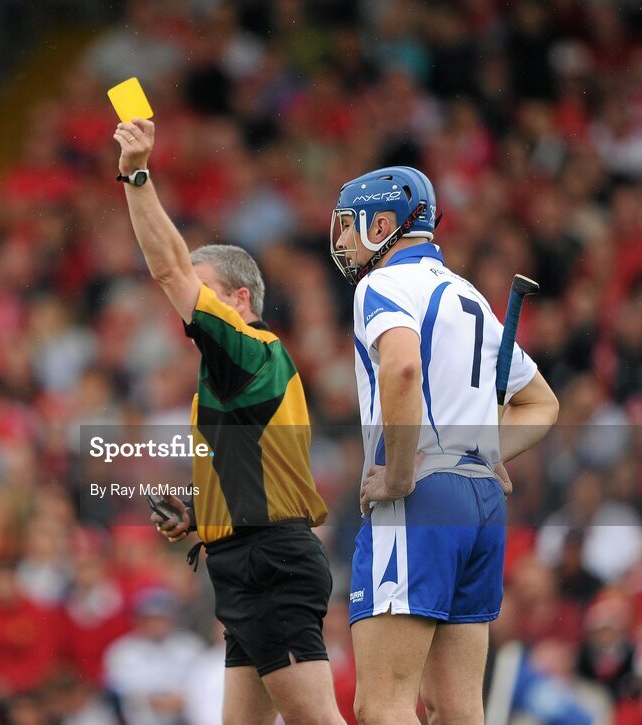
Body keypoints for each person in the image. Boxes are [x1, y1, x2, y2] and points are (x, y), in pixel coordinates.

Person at [113, 118, 345, 725]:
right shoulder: (230, 372)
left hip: (268, 558)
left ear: (239, 299)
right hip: (247, 558)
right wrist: (199, 514)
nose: (186, 299)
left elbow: (167, 270)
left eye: (204, 287)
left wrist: (136, 175)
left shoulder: (245, 346)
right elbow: (255, 469)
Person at [329, 166, 560, 724]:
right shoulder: (470, 294)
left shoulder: (380, 285)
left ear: (381, 224)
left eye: (345, 226)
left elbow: (402, 367)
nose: (338, 241)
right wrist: (489, 451)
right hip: (481, 503)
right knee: (458, 710)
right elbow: (542, 404)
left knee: (381, 706)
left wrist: (401, 473)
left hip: (421, 499)